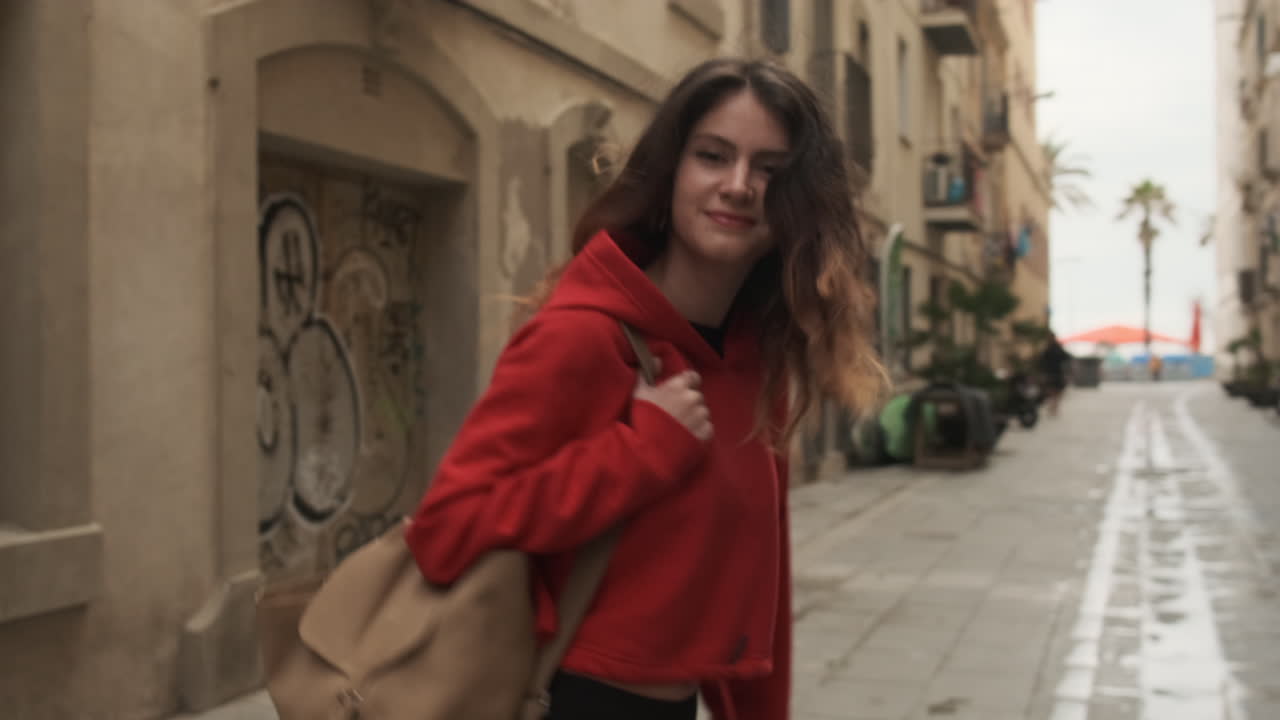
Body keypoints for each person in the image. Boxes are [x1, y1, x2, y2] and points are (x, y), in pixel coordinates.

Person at [404, 58, 886, 720]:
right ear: (672, 173)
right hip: (562, 700)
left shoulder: (756, 365)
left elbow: (758, 590)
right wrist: (637, 454)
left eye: (770, 170)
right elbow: (446, 529)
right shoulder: (583, 335)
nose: (738, 185)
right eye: (713, 156)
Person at [1038, 332, 1073, 417]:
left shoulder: (1048, 349)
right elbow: (1067, 357)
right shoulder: (1054, 348)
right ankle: (1053, 407)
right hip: (1055, 373)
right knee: (1055, 392)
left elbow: (1042, 361)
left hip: (1053, 373)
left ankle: (1053, 407)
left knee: (1054, 392)